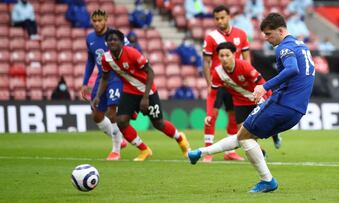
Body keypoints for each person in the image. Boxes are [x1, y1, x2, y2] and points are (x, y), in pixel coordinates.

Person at [188, 13, 315, 193]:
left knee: (245, 137)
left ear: (281, 30)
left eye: (269, 34)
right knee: (244, 135)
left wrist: (265, 87)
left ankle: (267, 180)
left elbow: (292, 69)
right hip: (297, 110)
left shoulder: (283, 47)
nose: (266, 38)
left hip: (282, 104)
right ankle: (200, 152)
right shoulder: (301, 46)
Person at [92, 29, 191, 161]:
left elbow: (150, 71)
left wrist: (145, 98)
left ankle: (180, 138)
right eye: (109, 40)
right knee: (121, 121)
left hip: (147, 91)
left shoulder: (132, 53)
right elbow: (105, 78)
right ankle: (144, 150)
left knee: (158, 123)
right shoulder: (106, 58)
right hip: (129, 91)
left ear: (122, 42)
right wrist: (98, 96)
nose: (112, 42)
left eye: (115, 39)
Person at [81, 9, 145, 161]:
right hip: (102, 78)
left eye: (100, 20)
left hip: (117, 76)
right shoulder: (90, 38)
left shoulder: (115, 36)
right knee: (96, 116)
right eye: (94, 21)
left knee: (112, 112)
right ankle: (120, 139)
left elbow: (132, 52)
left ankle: (116, 151)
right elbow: (90, 61)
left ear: (106, 20)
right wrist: (85, 82)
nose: (97, 24)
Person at [202, 5, 251, 162]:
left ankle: (229, 152)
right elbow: (206, 62)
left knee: (233, 117)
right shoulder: (211, 37)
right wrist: (209, 83)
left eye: (222, 17)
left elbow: (247, 59)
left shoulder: (241, 34)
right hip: (219, 83)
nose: (219, 21)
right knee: (211, 115)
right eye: (216, 18)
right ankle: (207, 151)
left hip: (235, 85)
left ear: (229, 16)